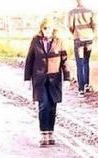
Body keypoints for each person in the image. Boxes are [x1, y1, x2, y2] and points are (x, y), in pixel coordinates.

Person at [24, 18, 70, 147]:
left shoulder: (59, 41)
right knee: (43, 105)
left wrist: (67, 78)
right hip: (39, 79)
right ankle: (43, 133)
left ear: (53, 29)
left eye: (49, 28)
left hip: (54, 80)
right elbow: (29, 60)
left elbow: (64, 60)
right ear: (41, 29)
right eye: (44, 28)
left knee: (52, 106)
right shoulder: (35, 41)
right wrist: (27, 79)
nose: (46, 31)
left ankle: (51, 133)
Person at [68, 0, 96, 97]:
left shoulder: (72, 12)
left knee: (79, 64)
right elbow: (94, 25)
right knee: (86, 61)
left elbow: (70, 26)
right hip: (89, 39)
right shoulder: (90, 11)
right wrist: (90, 32)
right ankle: (87, 85)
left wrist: (75, 33)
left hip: (78, 39)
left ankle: (81, 89)